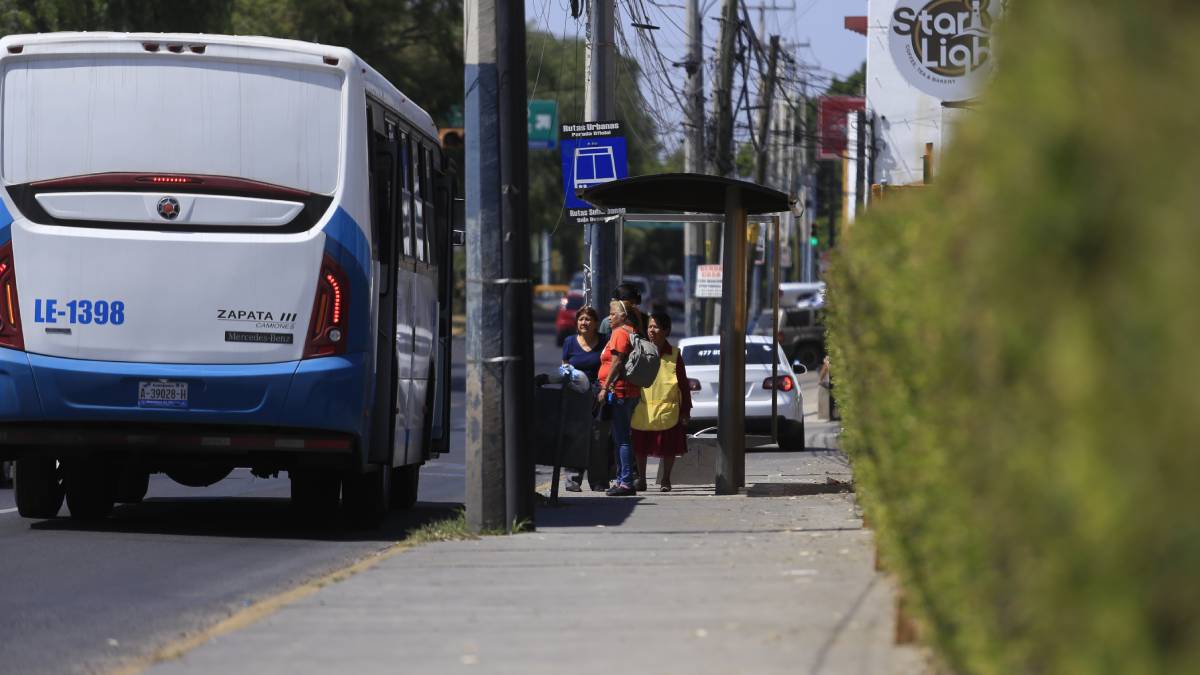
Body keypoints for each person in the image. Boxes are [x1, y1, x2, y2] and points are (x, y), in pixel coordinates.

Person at [631, 312, 691, 492]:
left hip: (668, 409)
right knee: (640, 446)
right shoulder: (640, 351)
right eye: (649, 326)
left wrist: (685, 410)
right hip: (643, 408)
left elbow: (683, 385)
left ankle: (666, 479)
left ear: (666, 330)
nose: (652, 330)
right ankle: (641, 480)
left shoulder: (674, 355)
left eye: (656, 327)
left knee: (668, 448)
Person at [597, 300, 641, 496]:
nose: (609, 317)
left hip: (620, 391)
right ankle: (624, 479)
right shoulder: (631, 331)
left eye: (613, 314)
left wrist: (604, 387)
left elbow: (616, 362)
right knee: (622, 437)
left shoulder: (620, 333)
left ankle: (625, 482)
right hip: (628, 391)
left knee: (621, 438)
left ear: (623, 316)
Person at [560, 306, 603, 492]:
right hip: (576, 395)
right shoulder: (569, 342)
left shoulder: (604, 341)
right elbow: (564, 367)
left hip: (598, 395)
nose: (584, 323)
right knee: (574, 437)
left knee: (597, 438)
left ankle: (599, 481)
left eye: (588, 319)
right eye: (581, 319)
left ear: (595, 324)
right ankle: (572, 480)